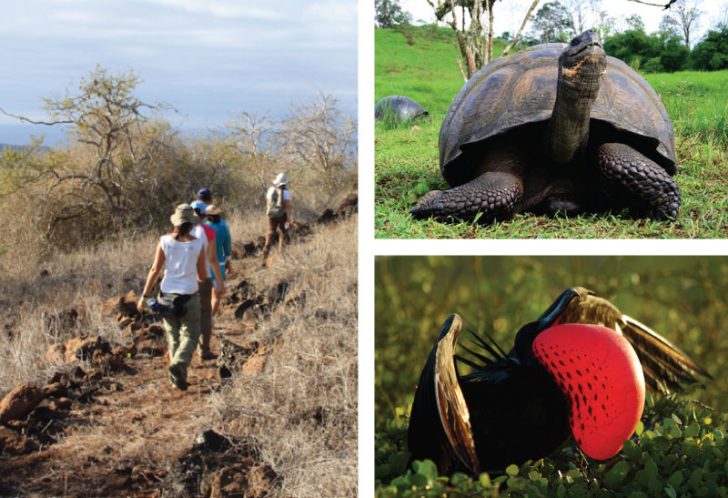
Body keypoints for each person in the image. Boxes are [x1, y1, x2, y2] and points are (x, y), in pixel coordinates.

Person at [136, 204, 206, 391]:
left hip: (166, 297)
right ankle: (180, 363)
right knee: (191, 334)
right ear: (192, 224)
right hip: (189, 297)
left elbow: (155, 270)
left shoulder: (165, 241)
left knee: (173, 337)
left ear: (175, 222)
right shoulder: (197, 244)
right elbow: (202, 275)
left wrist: (144, 296)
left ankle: (176, 380)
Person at [190, 200, 225, 360]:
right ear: (205, 215)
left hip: (183, 280)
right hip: (203, 278)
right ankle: (204, 350)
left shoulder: (179, 231)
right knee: (205, 314)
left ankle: (183, 350)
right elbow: (212, 258)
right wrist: (220, 281)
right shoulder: (208, 231)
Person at [204, 205, 232, 315]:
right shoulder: (224, 227)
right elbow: (227, 247)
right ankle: (210, 318)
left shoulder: (202, 228)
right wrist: (228, 264)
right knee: (216, 297)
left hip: (202, 266)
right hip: (219, 265)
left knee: (203, 297)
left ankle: (203, 321)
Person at [262, 173, 293, 258]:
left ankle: (266, 250)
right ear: (285, 183)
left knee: (270, 232)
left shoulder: (270, 190)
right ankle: (281, 254)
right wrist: (289, 218)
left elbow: (268, 202)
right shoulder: (286, 192)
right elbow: (288, 206)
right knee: (283, 232)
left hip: (270, 214)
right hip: (282, 214)